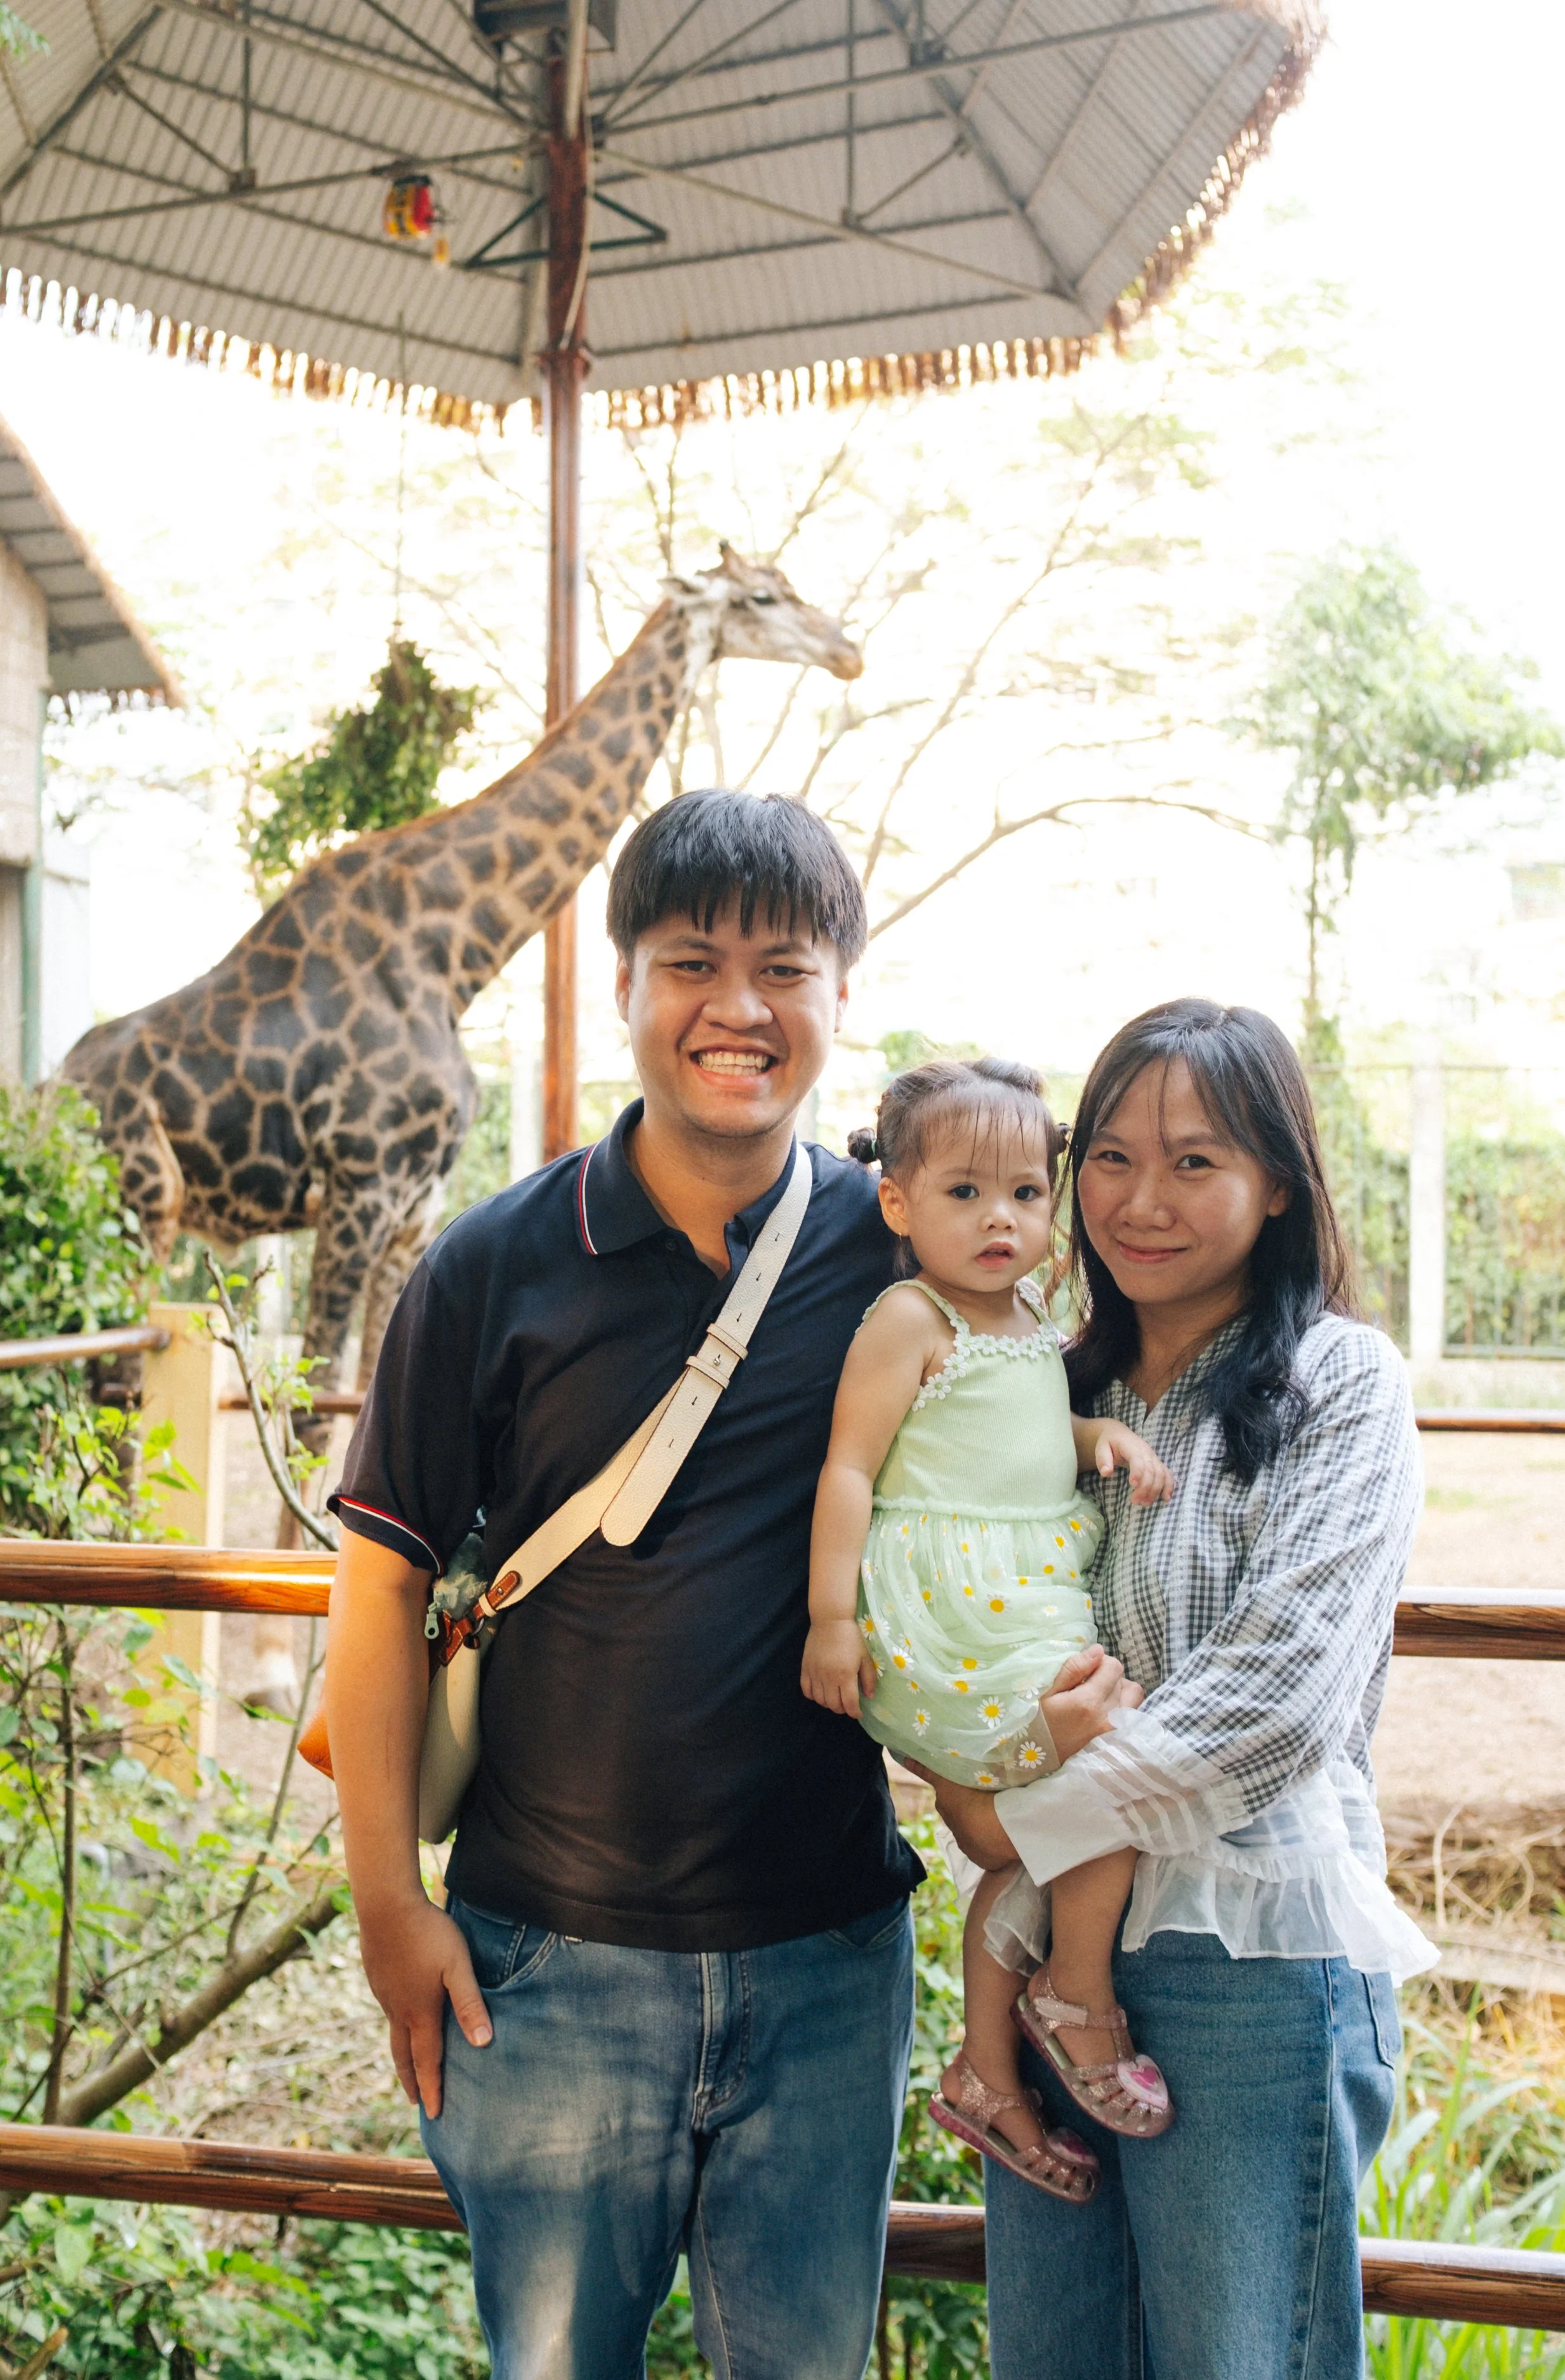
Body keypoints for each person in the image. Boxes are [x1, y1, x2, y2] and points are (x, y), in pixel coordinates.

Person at [321, 792, 923, 2380]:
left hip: (827, 1963)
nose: (738, 1009)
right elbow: (376, 1591)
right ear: (624, 989)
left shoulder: (903, 1257)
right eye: (689, 963)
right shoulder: (495, 1262)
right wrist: (388, 1906)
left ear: (839, 996)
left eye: (784, 968)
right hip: (548, 1970)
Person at [916, 998, 1436, 2380]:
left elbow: (1279, 1698)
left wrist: (1015, 1829)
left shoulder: (1339, 1382)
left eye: (1196, 1162)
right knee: (1055, 2354)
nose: (1140, 1202)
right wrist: (968, 1780)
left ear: (1276, 1186)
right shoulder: (1033, 1385)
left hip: (1242, 1960)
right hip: (1038, 1968)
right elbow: (946, 1610)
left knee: (1233, 2357)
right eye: (1109, 1158)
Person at [800, 1057, 1177, 2209]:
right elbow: (853, 1466)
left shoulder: (1030, 1320)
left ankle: (988, 2072)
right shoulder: (906, 1315)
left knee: (1036, 1842)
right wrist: (827, 1618)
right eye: (965, 1193)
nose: (1001, 1218)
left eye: (1024, 1192)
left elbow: (1010, 1424)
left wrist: (1090, 1440)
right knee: (1101, 1784)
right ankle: (1076, 1999)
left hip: (1023, 1588)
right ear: (898, 1203)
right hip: (943, 1606)